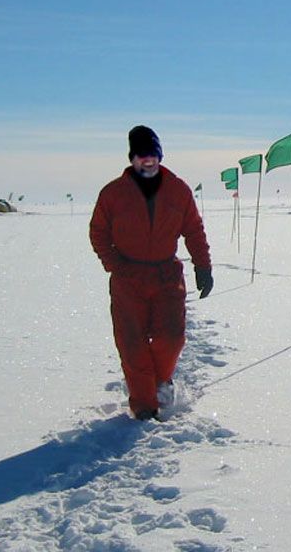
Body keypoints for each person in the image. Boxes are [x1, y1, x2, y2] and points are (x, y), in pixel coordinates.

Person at [90, 125, 213, 421]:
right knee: (132, 345)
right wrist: (115, 265)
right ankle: (144, 406)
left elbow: (193, 230)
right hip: (127, 278)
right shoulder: (113, 194)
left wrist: (203, 266)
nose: (147, 161)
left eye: (153, 155)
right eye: (141, 156)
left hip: (166, 276)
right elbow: (98, 233)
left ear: (159, 156)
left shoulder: (178, 190)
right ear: (132, 158)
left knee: (171, 338)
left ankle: (159, 381)